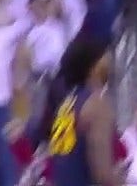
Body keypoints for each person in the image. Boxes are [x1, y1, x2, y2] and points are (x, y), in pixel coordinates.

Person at [48, 36, 119, 186]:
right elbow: (103, 175)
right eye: (105, 57)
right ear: (94, 67)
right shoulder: (97, 106)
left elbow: (60, 163)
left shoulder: (66, 105)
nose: (110, 62)